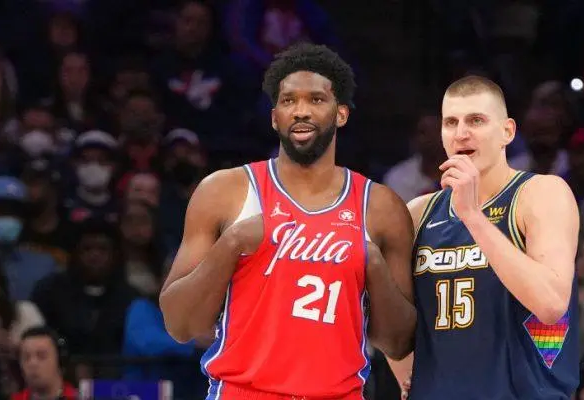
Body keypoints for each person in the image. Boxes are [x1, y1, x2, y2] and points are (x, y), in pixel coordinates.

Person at [159, 43, 416, 399]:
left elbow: (400, 343)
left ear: (341, 113)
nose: (300, 111)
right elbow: (179, 325)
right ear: (274, 117)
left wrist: (373, 265)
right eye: (288, 101)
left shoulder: (382, 207)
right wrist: (230, 245)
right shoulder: (225, 191)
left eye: (316, 100)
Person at [393, 75, 580, 399]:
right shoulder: (417, 212)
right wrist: (406, 374)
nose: (461, 132)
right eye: (451, 122)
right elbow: (395, 321)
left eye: (476, 120)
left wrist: (472, 216)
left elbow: (550, 304)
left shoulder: (541, 193)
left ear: (507, 131)